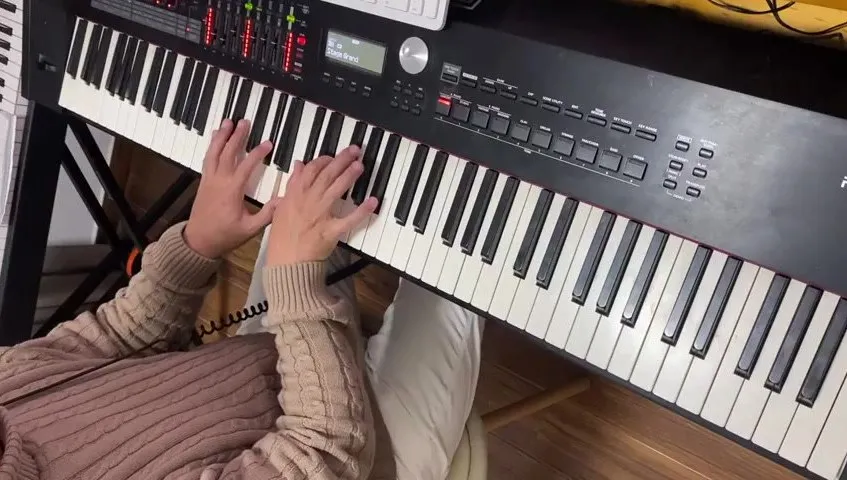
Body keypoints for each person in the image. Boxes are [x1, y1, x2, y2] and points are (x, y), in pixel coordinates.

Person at [0, 119, 483, 480]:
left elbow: (111, 336)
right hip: (363, 449)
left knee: (316, 178)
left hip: (272, 359)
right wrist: (295, 279)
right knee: (469, 246)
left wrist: (197, 244)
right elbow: (324, 453)